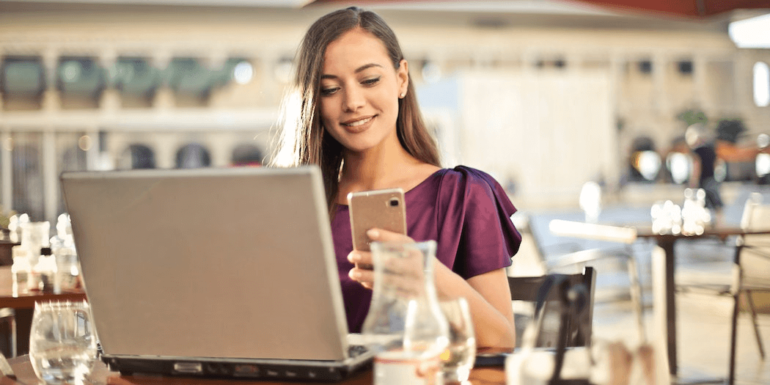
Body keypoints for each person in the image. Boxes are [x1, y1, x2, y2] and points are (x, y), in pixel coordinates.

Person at [270, 7, 521, 348]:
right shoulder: (295, 205)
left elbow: (502, 338)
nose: (353, 102)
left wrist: (427, 277)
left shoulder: (462, 194)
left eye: (369, 80)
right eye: (330, 89)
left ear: (401, 79)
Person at [685, 123, 723, 214]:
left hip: (703, 179)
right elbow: (716, 164)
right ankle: (720, 223)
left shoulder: (697, 151)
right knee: (716, 203)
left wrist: (693, 180)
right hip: (712, 178)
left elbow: (697, 166)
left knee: (701, 202)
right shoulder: (711, 150)